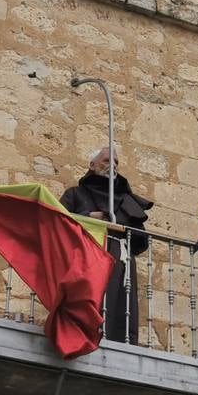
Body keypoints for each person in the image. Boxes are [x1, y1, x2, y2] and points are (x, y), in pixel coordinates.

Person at [61, 146, 154, 345]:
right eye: (105, 161)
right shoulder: (76, 194)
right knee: (90, 302)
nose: (112, 165)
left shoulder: (126, 200)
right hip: (87, 261)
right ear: (92, 165)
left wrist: (122, 228)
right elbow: (58, 223)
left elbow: (140, 241)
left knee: (119, 307)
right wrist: (87, 217)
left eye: (116, 162)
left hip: (120, 261)